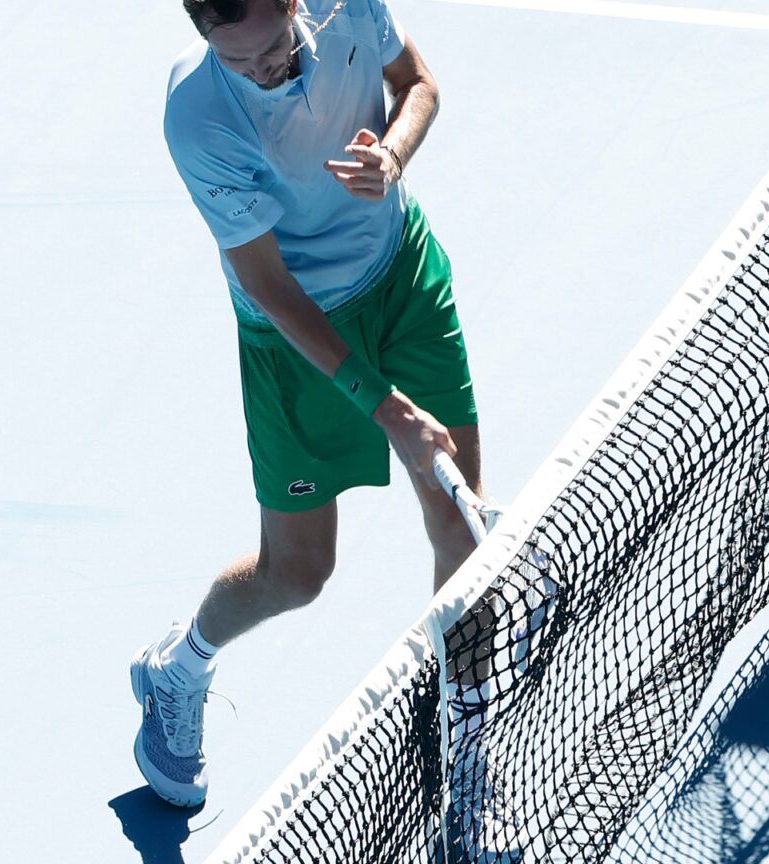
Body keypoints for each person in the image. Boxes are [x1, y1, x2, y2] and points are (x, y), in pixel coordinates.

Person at [131, 0, 482, 813]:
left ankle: (470, 758)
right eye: (241, 62)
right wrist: (382, 406)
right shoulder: (198, 118)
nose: (267, 72)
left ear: (296, 5)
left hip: (403, 278)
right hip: (294, 336)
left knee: (463, 524)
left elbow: (417, 83)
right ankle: (178, 669)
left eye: (277, 49)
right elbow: (269, 286)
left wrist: (392, 156)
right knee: (298, 574)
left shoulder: (349, 4)